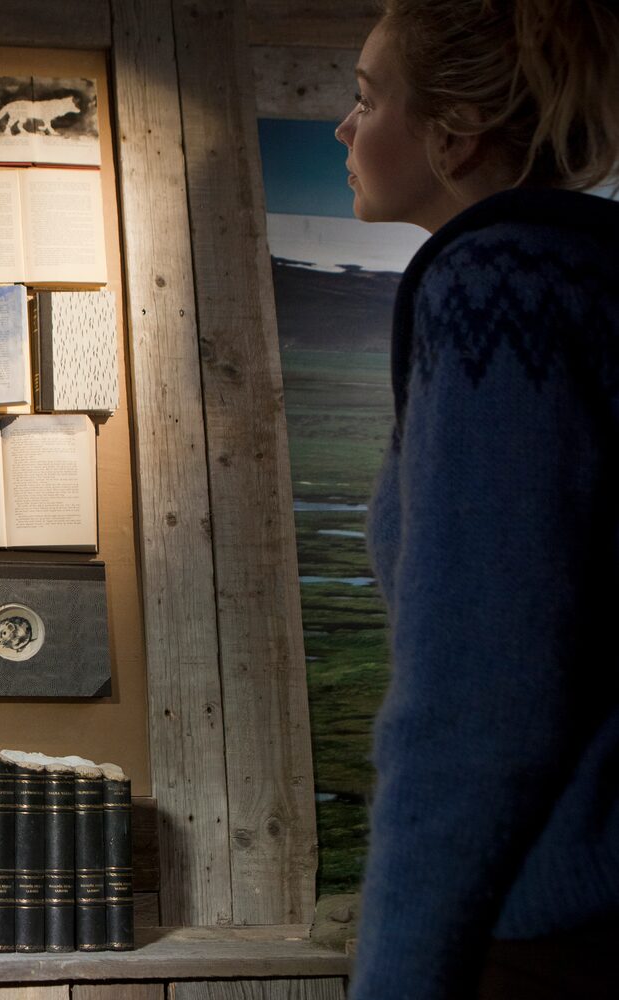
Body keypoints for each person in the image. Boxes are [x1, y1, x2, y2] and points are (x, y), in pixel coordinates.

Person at [334, 2, 619, 997]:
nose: (344, 128)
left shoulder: (496, 280)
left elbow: (481, 689)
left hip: (563, 937)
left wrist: (398, 977)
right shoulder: (591, 270)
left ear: (450, 134)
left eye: (368, 100)